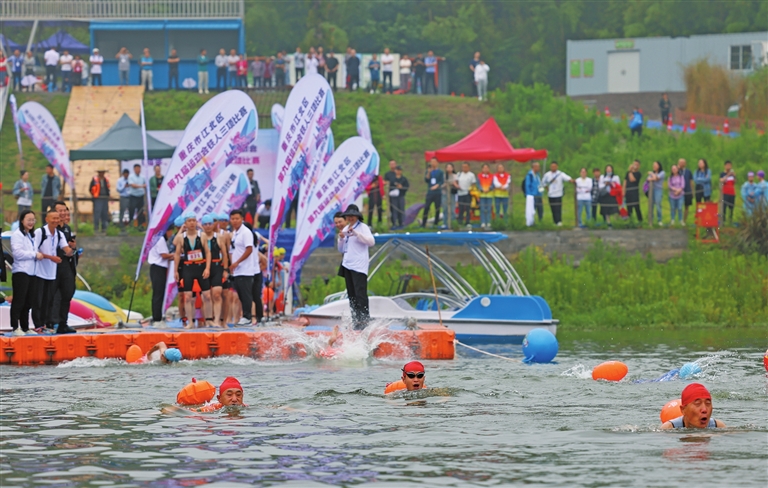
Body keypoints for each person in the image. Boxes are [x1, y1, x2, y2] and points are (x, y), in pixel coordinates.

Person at [33, 211, 74, 333]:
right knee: (38, 300)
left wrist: (71, 250)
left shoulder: (59, 234)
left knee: (48, 300)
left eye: (57, 218)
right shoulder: (40, 232)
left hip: (51, 272)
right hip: (39, 271)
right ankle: (38, 325)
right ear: (47, 219)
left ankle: (46, 324)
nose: (56, 220)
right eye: (53, 218)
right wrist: (51, 258)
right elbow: (34, 251)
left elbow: (66, 248)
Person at [338, 205, 375, 329]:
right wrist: (341, 239)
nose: (350, 218)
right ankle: (356, 320)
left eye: (352, 216)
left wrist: (356, 234)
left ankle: (364, 320)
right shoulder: (345, 229)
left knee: (360, 294)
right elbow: (341, 249)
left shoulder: (363, 227)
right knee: (351, 295)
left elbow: (371, 242)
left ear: (357, 216)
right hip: (347, 264)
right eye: (348, 216)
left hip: (359, 265)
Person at [173, 213, 212, 328]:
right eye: (189, 221)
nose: (192, 223)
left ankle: (209, 320)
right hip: (188, 268)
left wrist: (207, 268)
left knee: (207, 295)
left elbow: (208, 252)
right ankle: (190, 321)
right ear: (185, 223)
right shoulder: (181, 237)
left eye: (194, 221)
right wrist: (175, 271)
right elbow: (177, 254)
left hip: (201, 267)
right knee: (188, 296)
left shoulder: (202, 235)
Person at [10, 211, 41, 336]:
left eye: (33, 220)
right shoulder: (17, 235)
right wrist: (34, 255)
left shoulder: (31, 235)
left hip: (32, 272)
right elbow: (18, 254)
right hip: (21, 272)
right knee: (19, 300)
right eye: (28, 219)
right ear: (22, 220)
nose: (31, 222)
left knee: (29, 302)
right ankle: (15, 327)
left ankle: (25, 327)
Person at [51, 202, 78, 335]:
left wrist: (74, 248)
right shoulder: (49, 229)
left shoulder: (67, 228)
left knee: (67, 293)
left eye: (64, 210)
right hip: (53, 265)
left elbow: (70, 249)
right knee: (53, 295)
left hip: (66, 265)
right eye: (59, 211)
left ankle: (63, 323)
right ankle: (51, 322)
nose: (63, 213)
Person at [201, 214, 230, 327]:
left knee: (217, 294)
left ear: (214, 225)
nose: (208, 226)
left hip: (217, 267)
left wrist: (226, 269)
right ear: (202, 225)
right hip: (203, 267)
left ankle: (217, 320)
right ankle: (208, 320)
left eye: (210, 224)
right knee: (206, 296)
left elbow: (225, 254)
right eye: (206, 224)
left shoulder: (219, 237)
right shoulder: (199, 236)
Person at [229, 210, 255, 326]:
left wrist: (237, 262)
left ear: (242, 219)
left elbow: (249, 249)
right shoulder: (235, 233)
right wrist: (232, 263)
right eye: (233, 219)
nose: (235, 221)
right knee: (240, 294)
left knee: (246, 293)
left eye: (237, 219)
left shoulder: (246, 232)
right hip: (237, 270)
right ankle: (244, 316)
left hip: (245, 269)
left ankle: (248, 317)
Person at [661, 383, 725, 429]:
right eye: (697, 403)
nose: (704, 409)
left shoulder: (718, 427)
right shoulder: (668, 428)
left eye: (708, 403)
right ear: (683, 410)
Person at [148, 225, 175, 325]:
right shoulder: (160, 240)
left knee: (160, 293)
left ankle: (158, 315)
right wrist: (176, 255)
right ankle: (157, 318)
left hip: (160, 268)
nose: (171, 234)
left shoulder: (157, 239)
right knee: (158, 293)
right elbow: (164, 255)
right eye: (171, 231)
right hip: (158, 268)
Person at [542, 161, 573, 226]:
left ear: (557, 167)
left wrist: (573, 181)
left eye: (554, 166)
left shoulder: (560, 174)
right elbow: (543, 183)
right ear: (550, 167)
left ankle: (559, 221)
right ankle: (555, 221)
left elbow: (568, 178)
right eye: (552, 166)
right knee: (553, 208)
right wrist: (547, 189)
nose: (553, 168)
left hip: (558, 194)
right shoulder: (547, 174)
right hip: (551, 195)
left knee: (558, 208)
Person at [422, 157, 444, 227]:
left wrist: (437, 186)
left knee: (437, 207)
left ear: (437, 163)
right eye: (431, 162)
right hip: (430, 192)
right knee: (426, 207)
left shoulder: (440, 172)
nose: (433, 163)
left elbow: (442, 181)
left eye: (434, 162)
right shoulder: (428, 171)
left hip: (437, 192)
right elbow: (426, 180)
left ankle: (436, 222)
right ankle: (424, 222)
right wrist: (429, 172)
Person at [456, 162, 477, 227]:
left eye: (466, 167)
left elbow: (473, 184)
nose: (464, 168)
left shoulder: (471, 175)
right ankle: (460, 221)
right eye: (463, 167)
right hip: (460, 194)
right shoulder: (459, 174)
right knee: (461, 208)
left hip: (468, 193)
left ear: (468, 167)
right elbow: (456, 182)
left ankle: (467, 221)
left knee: (468, 208)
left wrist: (471, 189)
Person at [524, 162, 543, 226]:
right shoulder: (529, 175)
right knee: (532, 209)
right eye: (538, 167)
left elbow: (539, 183)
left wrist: (541, 192)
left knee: (540, 209)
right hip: (532, 195)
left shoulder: (538, 175)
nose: (539, 168)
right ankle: (531, 221)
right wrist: (530, 195)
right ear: (534, 167)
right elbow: (527, 185)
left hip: (538, 195)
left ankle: (541, 221)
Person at [646, 161, 665, 226]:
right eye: (653, 165)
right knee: (651, 205)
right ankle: (651, 220)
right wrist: (653, 177)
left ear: (659, 166)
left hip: (658, 190)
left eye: (655, 165)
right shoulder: (652, 173)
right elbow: (648, 179)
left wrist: (652, 174)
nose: (654, 166)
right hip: (651, 190)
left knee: (658, 204)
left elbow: (656, 178)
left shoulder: (662, 173)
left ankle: (659, 220)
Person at [128, 164, 146, 228]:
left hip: (140, 196)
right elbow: (133, 185)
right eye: (137, 168)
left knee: (140, 211)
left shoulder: (143, 177)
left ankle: (140, 226)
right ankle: (131, 225)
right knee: (132, 210)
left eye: (139, 168)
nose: (138, 170)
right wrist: (142, 186)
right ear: (134, 169)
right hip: (133, 196)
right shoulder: (131, 176)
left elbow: (145, 185)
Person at [719, 160, 736, 225]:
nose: (729, 167)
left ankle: (730, 220)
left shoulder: (733, 174)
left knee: (731, 207)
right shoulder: (722, 174)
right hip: (725, 193)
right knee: (724, 207)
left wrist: (734, 175)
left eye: (730, 165)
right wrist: (728, 175)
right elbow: (721, 180)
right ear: (725, 166)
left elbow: (735, 182)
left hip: (732, 192)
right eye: (727, 165)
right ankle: (723, 221)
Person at [477, 164, 494, 229]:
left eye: (487, 168)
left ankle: (489, 222)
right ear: (482, 169)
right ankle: (483, 222)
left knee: (489, 209)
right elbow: (478, 184)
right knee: (482, 209)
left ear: (489, 169)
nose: (485, 169)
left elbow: (493, 184)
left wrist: (489, 189)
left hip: (489, 195)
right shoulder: (479, 176)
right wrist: (482, 189)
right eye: (484, 168)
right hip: (482, 195)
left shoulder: (492, 176)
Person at [442, 163, 458, 228]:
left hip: (452, 194)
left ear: (453, 168)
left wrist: (454, 184)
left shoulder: (455, 176)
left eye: (450, 167)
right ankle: (445, 223)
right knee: (445, 209)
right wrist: (445, 185)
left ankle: (452, 223)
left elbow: (457, 185)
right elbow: (441, 185)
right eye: (447, 167)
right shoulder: (444, 176)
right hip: (445, 194)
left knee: (452, 209)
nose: (449, 169)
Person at [678, 158, 694, 224]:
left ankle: (684, 221)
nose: (681, 164)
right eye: (680, 162)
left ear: (685, 164)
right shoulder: (677, 171)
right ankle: (679, 220)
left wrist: (692, 191)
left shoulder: (688, 171)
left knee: (686, 206)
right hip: (678, 191)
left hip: (687, 190)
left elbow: (691, 181)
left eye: (683, 162)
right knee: (679, 206)